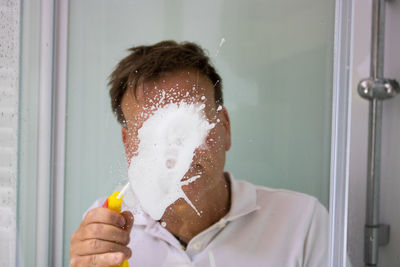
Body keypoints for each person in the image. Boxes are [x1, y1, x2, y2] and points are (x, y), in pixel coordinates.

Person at [70, 41, 329, 267]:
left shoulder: (302, 221)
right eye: (151, 136)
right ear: (129, 146)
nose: (177, 153)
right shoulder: (106, 228)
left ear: (225, 127)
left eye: (190, 127)